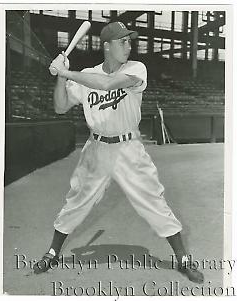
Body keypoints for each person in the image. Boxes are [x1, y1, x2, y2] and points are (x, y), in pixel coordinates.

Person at [33, 21, 204, 284]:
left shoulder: (136, 69)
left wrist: (68, 74)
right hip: (97, 149)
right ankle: (54, 251)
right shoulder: (88, 73)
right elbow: (60, 107)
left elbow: (109, 84)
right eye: (122, 41)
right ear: (107, 46)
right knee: (76, 202)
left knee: (154, 202)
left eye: (129, 40)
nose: (129, 45)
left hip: (128, 149)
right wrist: (60, 76)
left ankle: (183, 259)